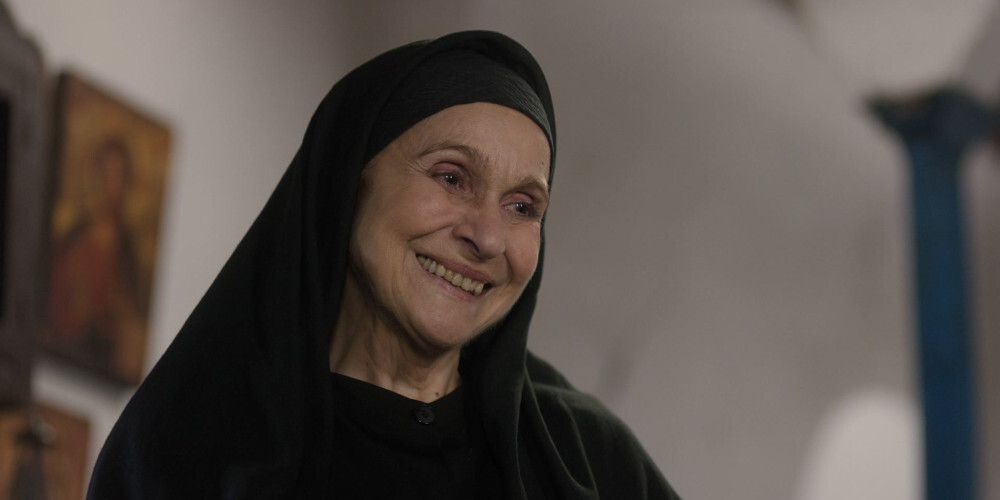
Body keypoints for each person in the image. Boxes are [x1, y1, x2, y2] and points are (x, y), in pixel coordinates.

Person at [87, 31, 681, 499]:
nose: (487, 237)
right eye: (452, 177)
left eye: (523, 206)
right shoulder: (187, 448)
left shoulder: (591, 459)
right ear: (350, 179)